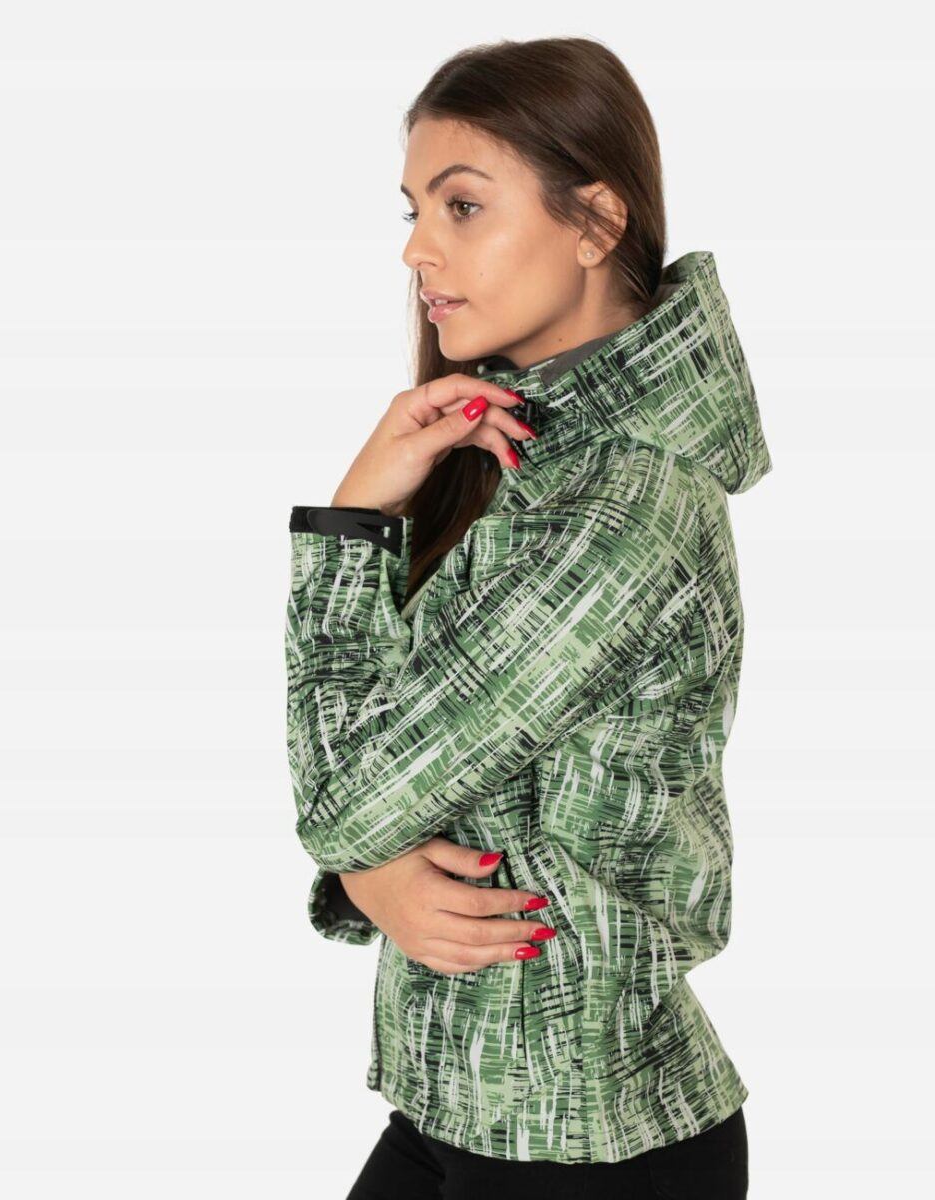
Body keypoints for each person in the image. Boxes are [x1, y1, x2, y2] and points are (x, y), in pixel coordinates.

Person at [284, 35, 770, 1198]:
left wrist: (349, 525)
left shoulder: (617, 504)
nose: (417, 249)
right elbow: (387, 788)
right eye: (413, 210)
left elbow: (352, 798)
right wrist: (366, 864)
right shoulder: (526, 455)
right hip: (466, 1110)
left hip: (585, 1137)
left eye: (461, 206)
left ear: (593, 222)